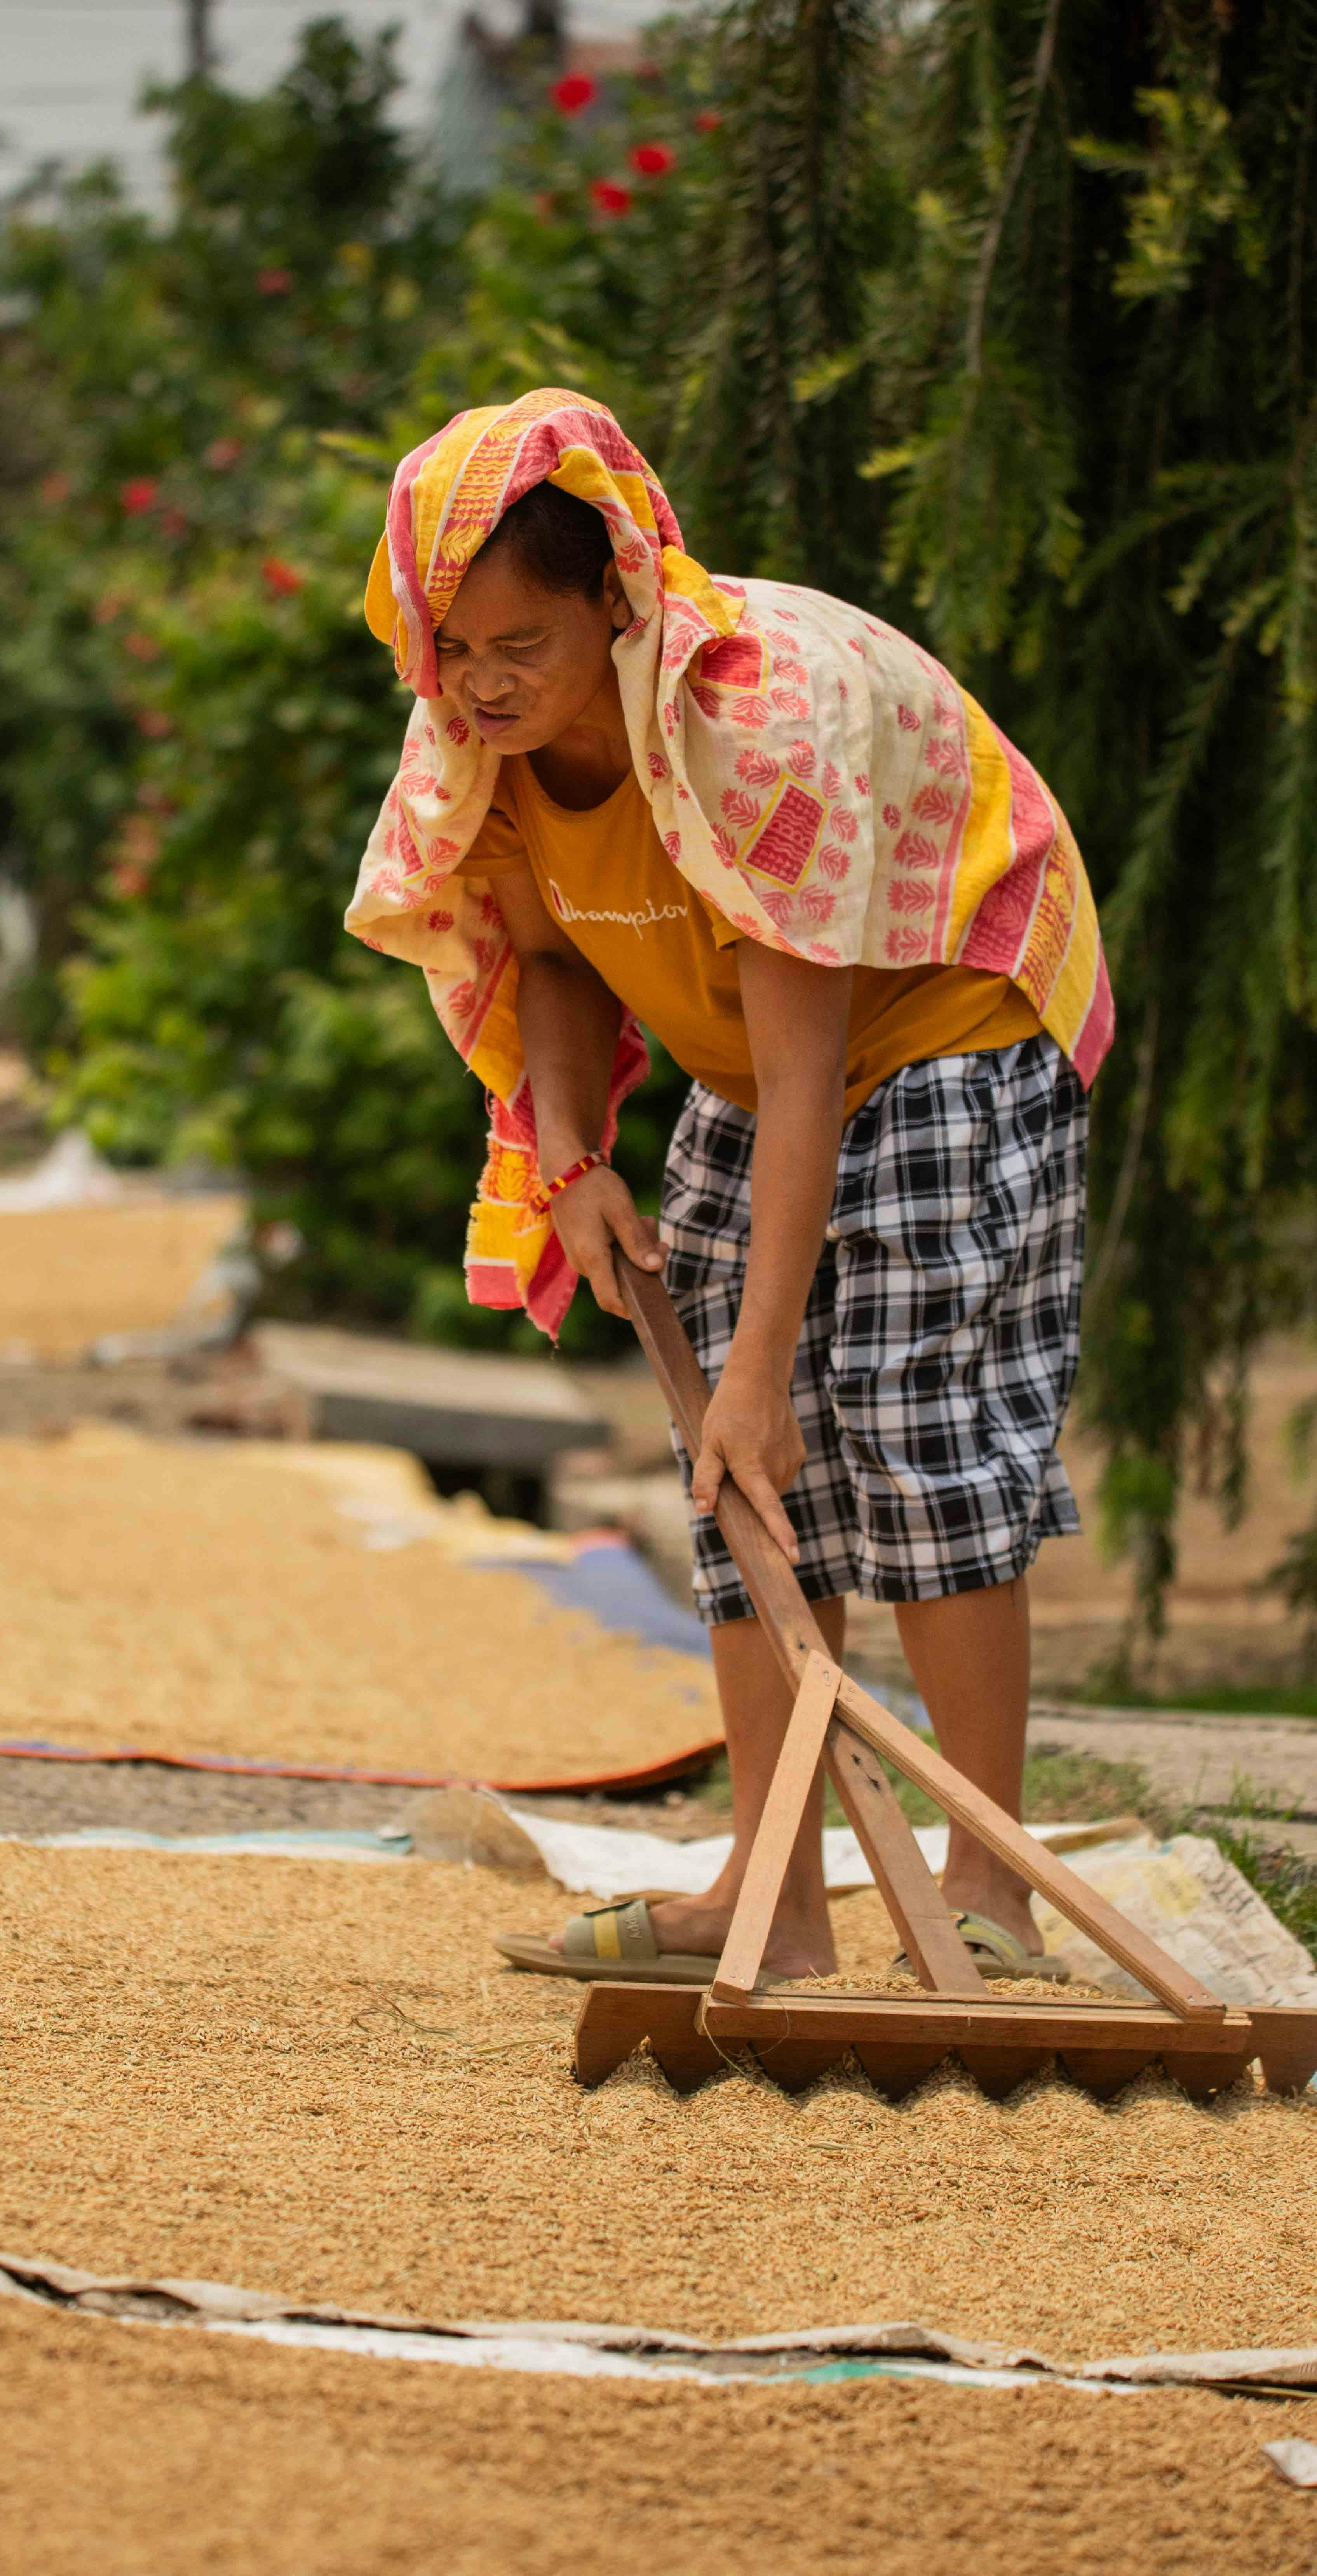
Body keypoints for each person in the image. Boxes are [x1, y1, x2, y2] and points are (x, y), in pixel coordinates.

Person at [347, 388, 1111, 1986]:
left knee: (899, 1433)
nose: (479, 684)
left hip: (938, 1018)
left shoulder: (738, 724)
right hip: (753, 1077)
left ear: (608, 599)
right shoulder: (477, 748)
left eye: (517, 646)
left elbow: (806, 1056)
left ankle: (993, 1891)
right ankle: (775, 1900)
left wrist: (760, 1368)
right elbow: (548, 963)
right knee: (737, 1484)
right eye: (452, 648)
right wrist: (568, 1163)